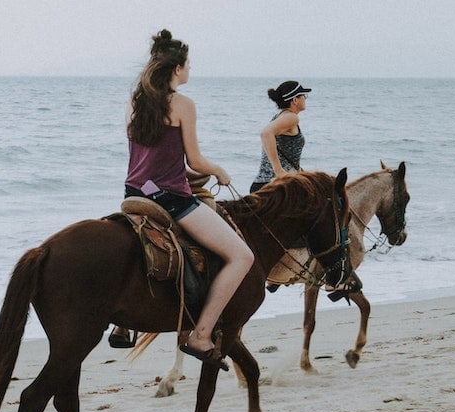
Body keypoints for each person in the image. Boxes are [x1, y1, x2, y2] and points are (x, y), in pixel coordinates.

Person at [121, 29, 254, 363]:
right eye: (188, 65)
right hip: (170, 199)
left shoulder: (135, 103)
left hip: (134, 192)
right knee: (242, 257)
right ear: (177, 68)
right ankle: (201, 334)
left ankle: (124, 325)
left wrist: (188, 173)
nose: (190, 70)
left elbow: (148, 159)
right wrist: (218, 171)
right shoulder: (182, 104)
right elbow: (194, 160)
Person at [250, 80, 312, 193]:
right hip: (276, 188)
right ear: (295, 100)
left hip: (265, 184)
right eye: (303, 95)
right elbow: (265, 133)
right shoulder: (291, 117)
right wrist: (278, 170)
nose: (305, 98)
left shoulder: (280, 117)